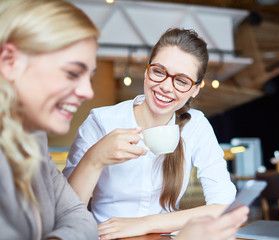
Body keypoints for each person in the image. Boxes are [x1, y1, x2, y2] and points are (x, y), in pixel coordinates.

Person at [64, 28, 248, 239]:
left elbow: (224, 206)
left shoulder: (195, 125)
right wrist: (94, 158)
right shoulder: (102, 122)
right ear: (146, 70)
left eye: (181, 81)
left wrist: (144, 224)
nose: (166, 87)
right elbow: (66, 213)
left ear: (195, 89)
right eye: (159, 71)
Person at [0, 0, 99, 238]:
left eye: (90, 77)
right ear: (9, 62)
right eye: (72, 73)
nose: (88, 92)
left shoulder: (34, 138)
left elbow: (78, 214)